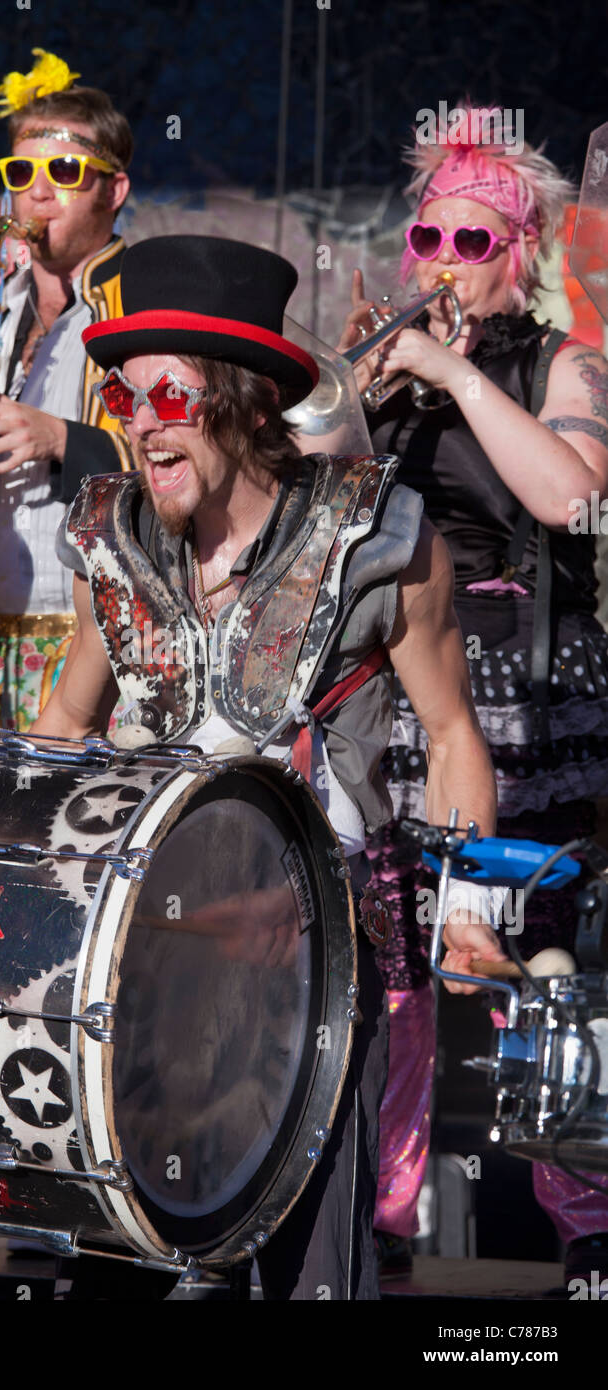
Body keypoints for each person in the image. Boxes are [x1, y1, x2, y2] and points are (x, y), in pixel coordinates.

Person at [31, 232, 499, 1299]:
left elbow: (452, 731)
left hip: (313, 960)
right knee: (123, 1266)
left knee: (304, 1275)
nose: (142, 425)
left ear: (242, 403)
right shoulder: (110, 537)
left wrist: (466, 900)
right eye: (123, 401)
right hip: (138, 968)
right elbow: (67, 714)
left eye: (167, 397)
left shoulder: (377, 534)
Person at [338, 105, 608, 1282]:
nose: (440, 263)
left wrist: (452, 370)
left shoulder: (560, 362)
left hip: (523, 691)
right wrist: (354, 392)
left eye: (470, 241)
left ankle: (583, 1223)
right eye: (426, 238)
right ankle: (383, 1225)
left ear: (521, 252)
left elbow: (570, 497)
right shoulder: (379, 364)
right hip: (394, 691)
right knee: (388, 972)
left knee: (525, 967)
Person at [0, 49, 133, 730]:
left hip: (91, 639)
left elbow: (184, 472)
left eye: (65, 172)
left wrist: (59, 438)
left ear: (113, 190)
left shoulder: (144, 309)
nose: (38, 192)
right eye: (22, 173)